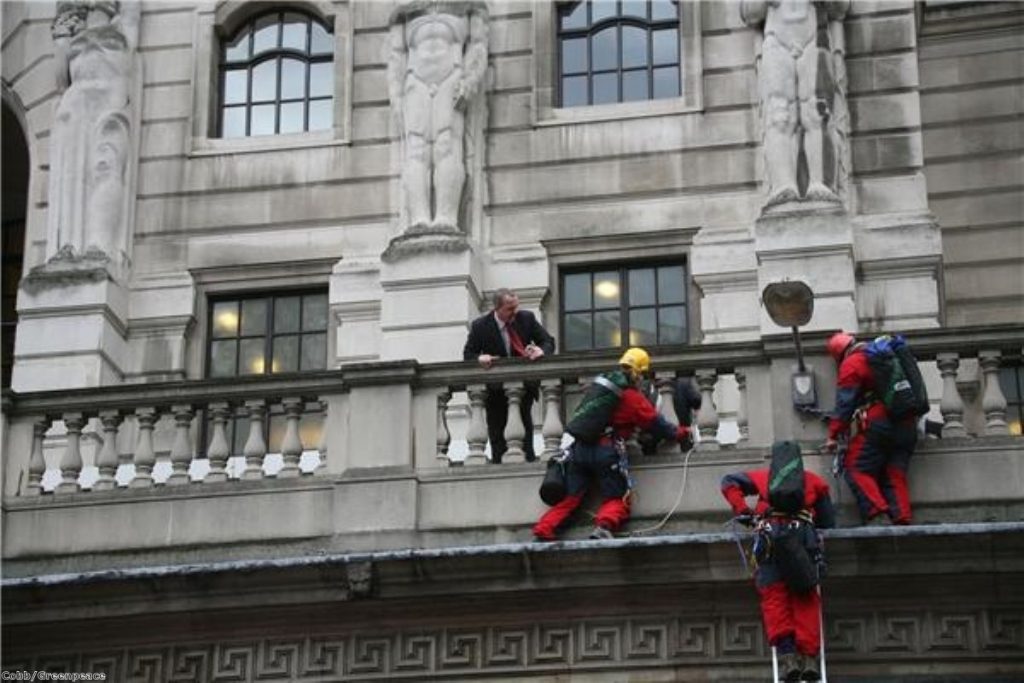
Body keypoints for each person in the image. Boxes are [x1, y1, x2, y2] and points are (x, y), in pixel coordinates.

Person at [532, 348, 692, 541]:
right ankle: (604, 526)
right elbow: (656, 424)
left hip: (579, 449)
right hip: (605, 451)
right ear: (640, 373)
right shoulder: (632, 396)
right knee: (617, 497)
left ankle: (544, 527)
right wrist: (682, 432)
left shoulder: (602, 387)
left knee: (571, 497)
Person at [721, 456, 836, 682]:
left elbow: (728, 482)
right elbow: (827, 520)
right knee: (805, 597)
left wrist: (744, 511)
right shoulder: (813, 480)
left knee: (774, 598)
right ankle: (810, 658)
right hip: (802, 541)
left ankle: (788, 657)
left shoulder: (764, 478)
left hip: (770, 540)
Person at [47, 0, 139, 272]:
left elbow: (133, 10)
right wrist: (63, 34)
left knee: (106, 167)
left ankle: (99, 246)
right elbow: (61, 80)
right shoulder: (76, 35)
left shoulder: (123, 28)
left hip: (109, 105)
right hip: (75, 108)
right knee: (71, 177)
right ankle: (67, 246)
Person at [387, 0, 488, 232]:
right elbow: (397, 55)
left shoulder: (469, 5)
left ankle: (446, 218)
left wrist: (470, 81)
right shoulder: (404, 9)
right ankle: (419, 219)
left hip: (451, 77)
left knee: (446, 145)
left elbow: (478, 45)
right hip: (415, 81)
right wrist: (396, 95)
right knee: (416, 149)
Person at [740, 0, 849, 207]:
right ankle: (783, 186)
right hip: (776, 39)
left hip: (815, 36)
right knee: (778, 115)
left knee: (817, 112)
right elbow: (750, 13)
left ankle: (821, 184)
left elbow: (840, 7)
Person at [823, 331, 918, 525]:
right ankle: (902, 518)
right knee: (894, 473)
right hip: (908, 424)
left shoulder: (853, 362)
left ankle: (878, 514)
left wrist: (833, 434)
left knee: (856, 468)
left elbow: (845, 404)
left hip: (879, 423)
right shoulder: (890, 356)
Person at [462, 288, 555, 463]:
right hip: (495, 393)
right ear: (497, 308)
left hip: (523, 390)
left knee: (525, 438)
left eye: (516, 307)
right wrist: (479, 358)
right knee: (498, 439)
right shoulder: (480, 326)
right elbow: (468, 354)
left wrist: (539, 350)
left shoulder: (526, 318)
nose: (515, 312)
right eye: (510, 309)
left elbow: (548, 341)